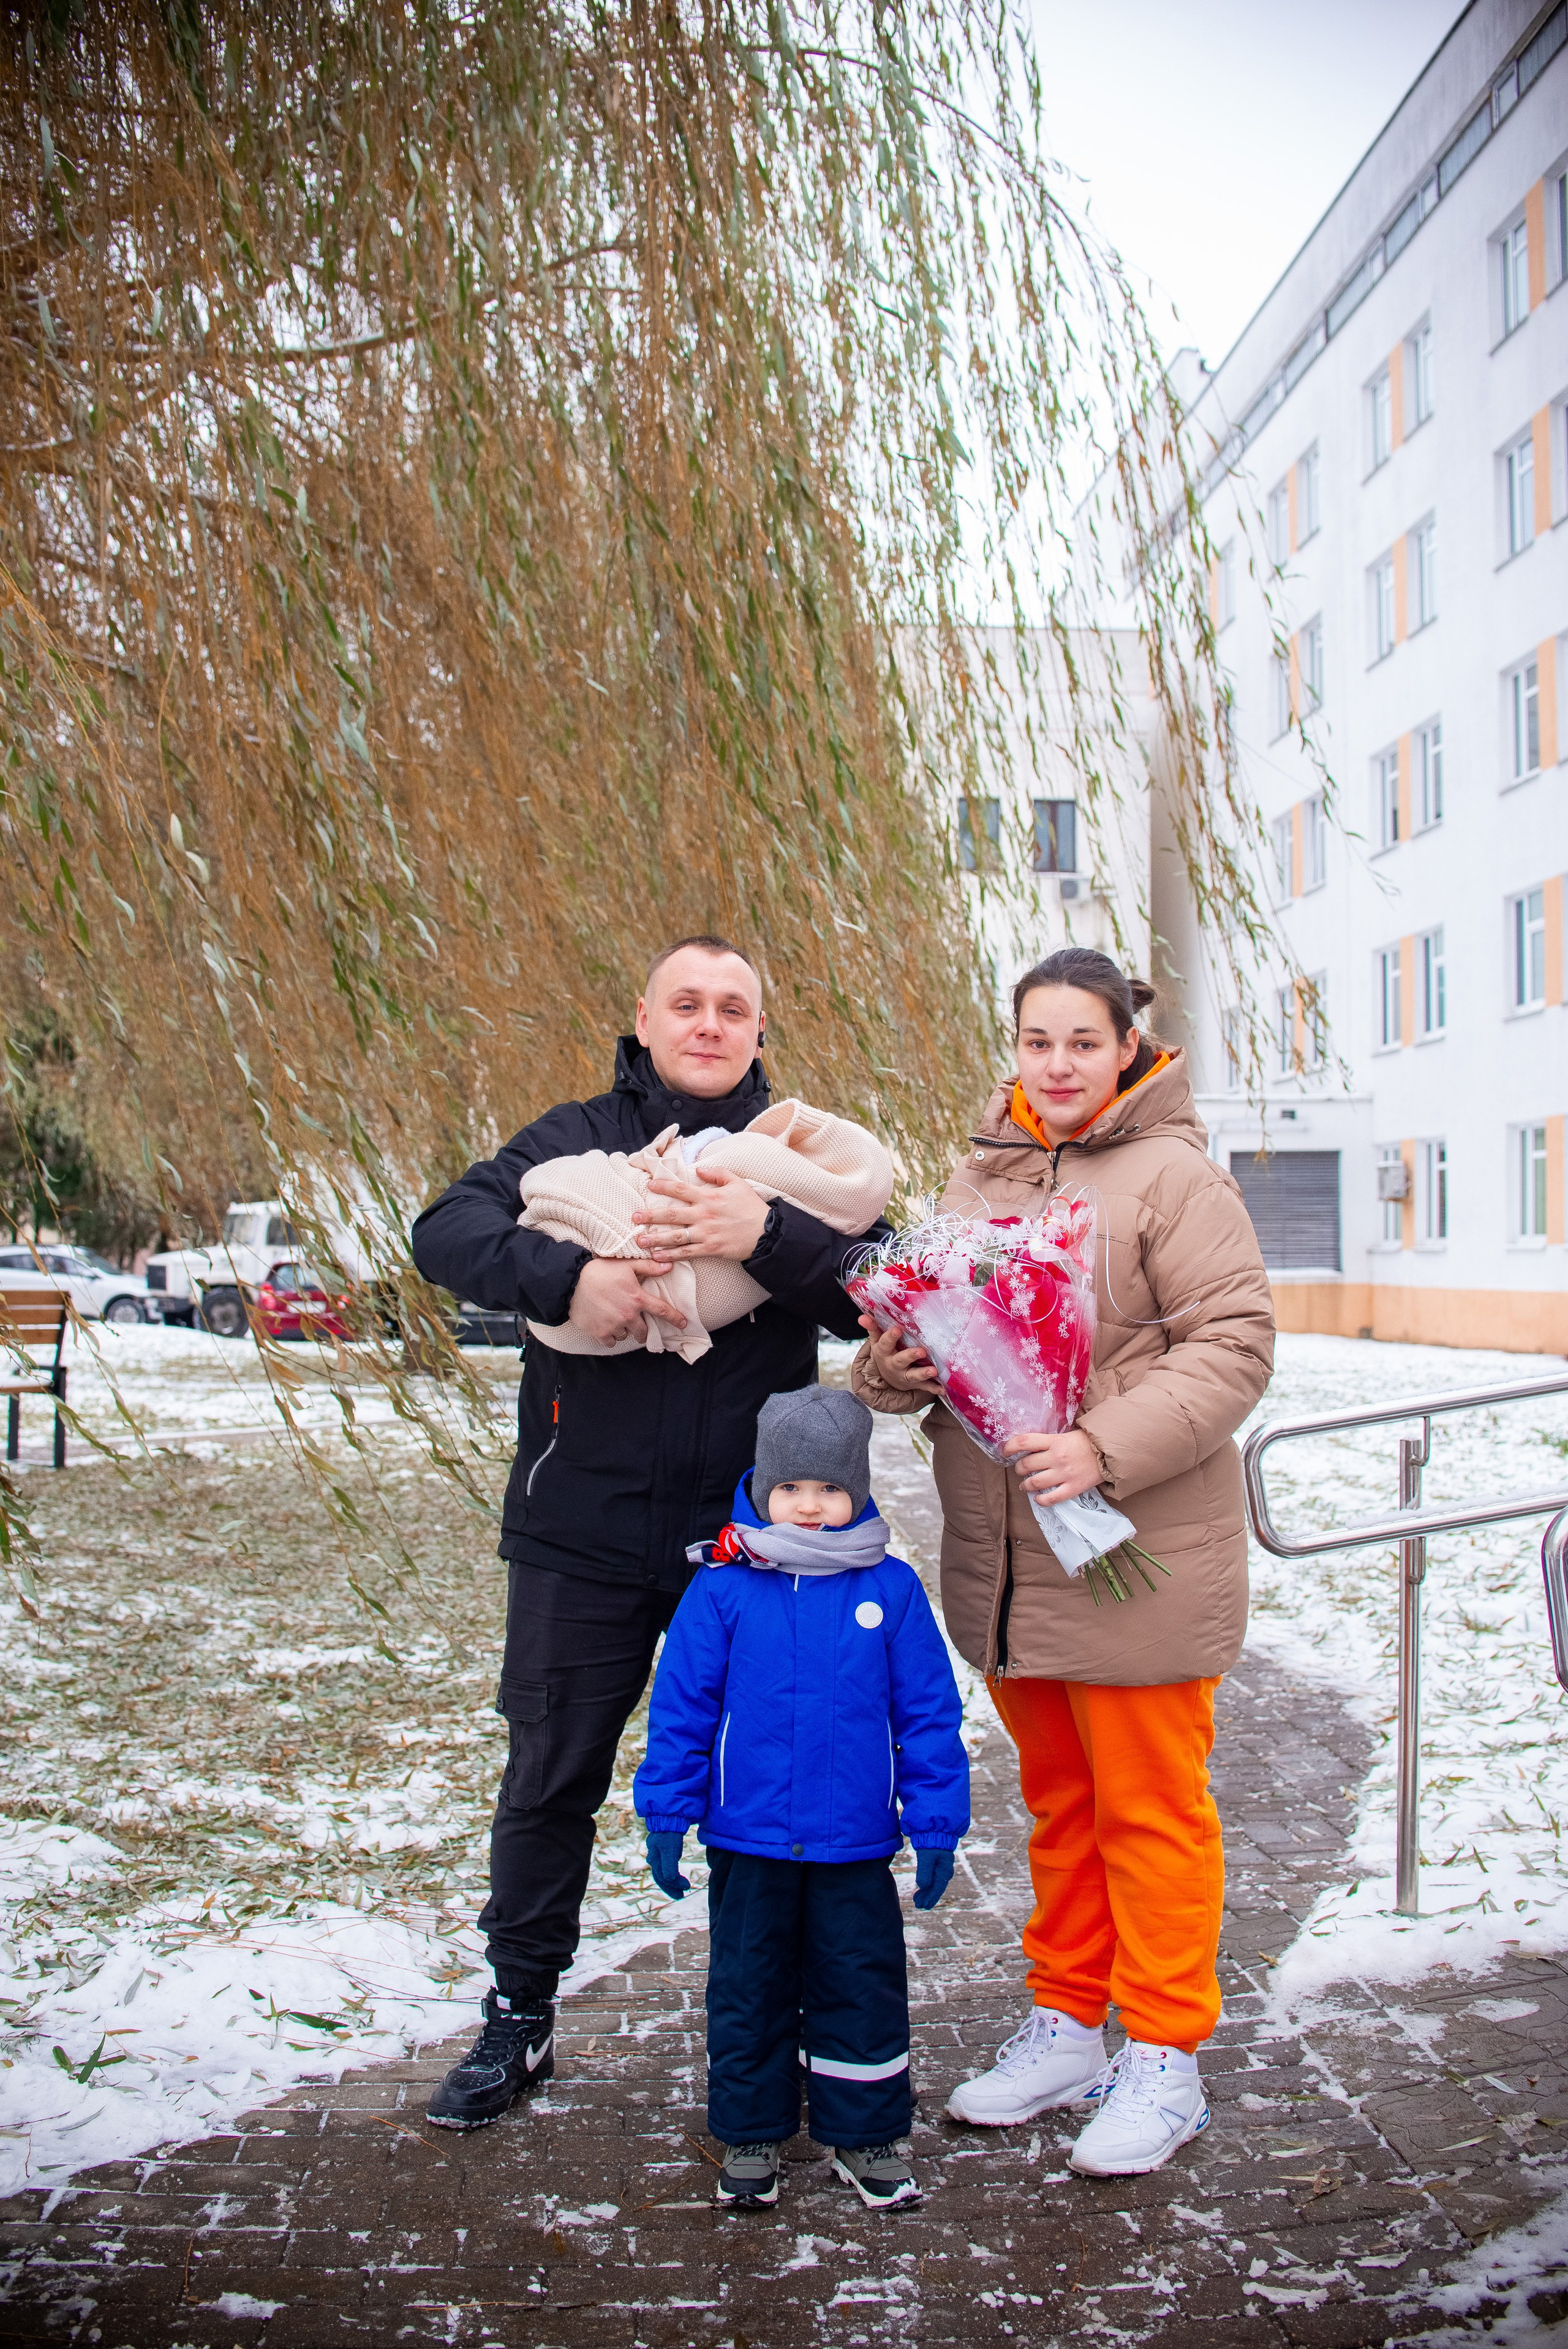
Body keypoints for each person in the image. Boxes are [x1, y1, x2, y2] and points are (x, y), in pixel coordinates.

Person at [410, 937, 891, 2129]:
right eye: (689, 1001)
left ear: (759, 1032)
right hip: (581, 1528)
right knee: (549, 1780)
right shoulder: (570, 1138)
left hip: (747, 1542)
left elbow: (876, 1283)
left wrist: (757, 1231)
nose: (710, 1022)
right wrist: (563, 1280)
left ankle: (761, 2030)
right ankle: (518, 2016)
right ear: (645, 1015)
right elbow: (443, 1228)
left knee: (762, 1789)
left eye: (735, 1007)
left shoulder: (792, 1157)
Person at [852, 946, 1274, 2177]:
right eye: (1036, 1041)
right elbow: (930, 1329)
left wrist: (1099, 1446)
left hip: (1134, 1543)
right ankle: (1067, 2022)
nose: (1056, 1063)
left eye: (1080, 1041)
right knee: (1058, 1808)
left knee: (1149, 1811)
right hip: (1005, 1558)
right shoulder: (978, 1174)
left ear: (1125, 1046)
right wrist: (893, 1367)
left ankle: (1162, 2054)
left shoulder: (1174, 1176)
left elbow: (1234, 1343)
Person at [633, 1386, 970, 2211]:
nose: (810, 1507)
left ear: (857, 1490)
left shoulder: (890, 1590)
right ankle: (751, 2131)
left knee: (859, 1983)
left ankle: (864, 2136)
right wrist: (668, 1811)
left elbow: (927, 1714)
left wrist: (933, 1823)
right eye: (792, 1489)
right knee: (749, 1987)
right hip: (748, 1840)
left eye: (828, 1490)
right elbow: (683, 1707)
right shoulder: (721, 1589)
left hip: (853, 1843)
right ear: (762, 1488)